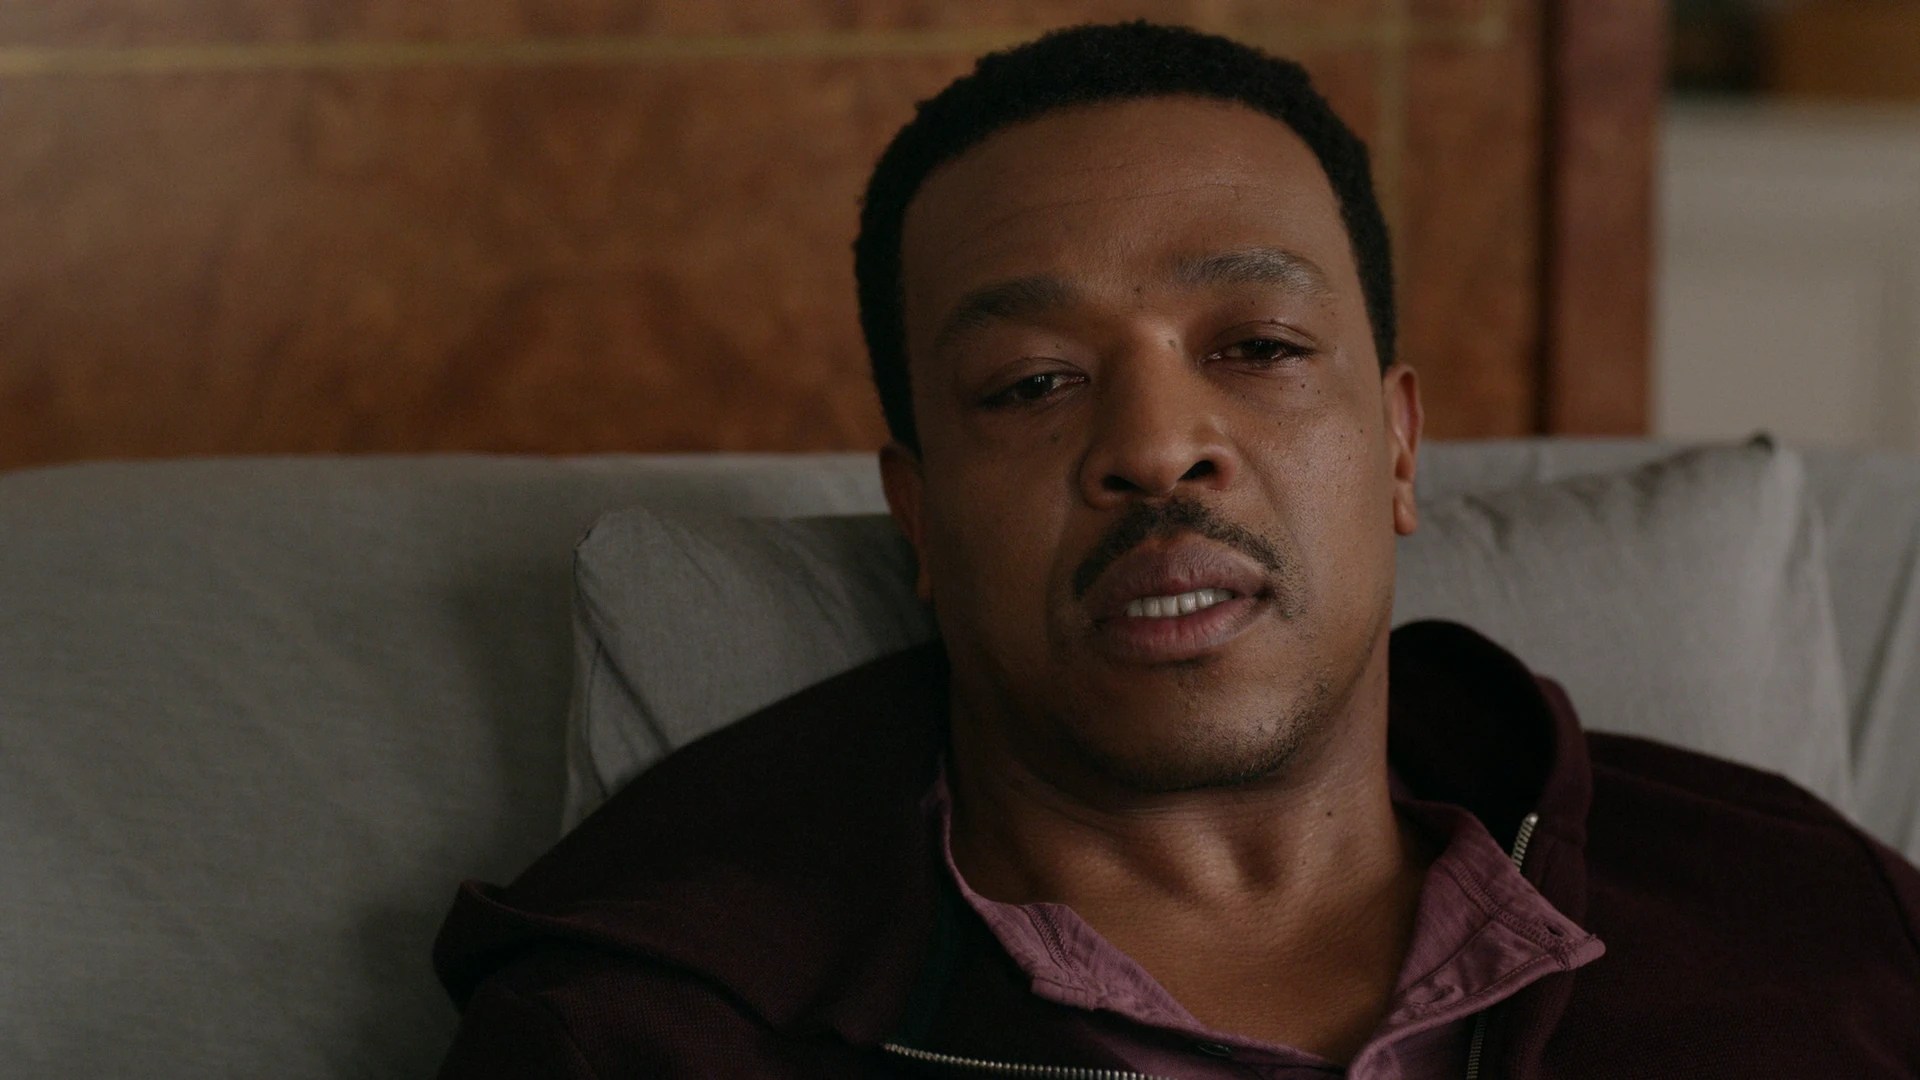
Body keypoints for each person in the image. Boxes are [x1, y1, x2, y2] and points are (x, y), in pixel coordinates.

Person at [432, 22, 1920, 1078]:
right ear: (921, 518)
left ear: (1400, 450)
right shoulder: (653, 1033)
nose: (1154, 446)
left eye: (1259, 346)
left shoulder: (1811, 919)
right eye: (1033, 383)